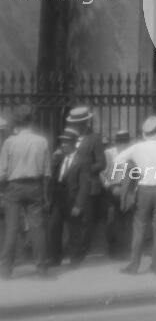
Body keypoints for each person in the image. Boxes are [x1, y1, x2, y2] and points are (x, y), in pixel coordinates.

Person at [114, 116, 156, 275]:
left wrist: (134, 168)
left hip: (143, 189)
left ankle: (134, 265)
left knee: (139, 227)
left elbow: (118, 160)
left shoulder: (138, 148)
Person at [0, 104, 51, 279]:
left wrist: (2, 191)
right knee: (37, 228)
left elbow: (2, 172)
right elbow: (46, 172)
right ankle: (42, 268)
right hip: (35, 186)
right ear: (31, 121)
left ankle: (6, 269)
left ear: (16, 122)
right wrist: (45, 194)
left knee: (11, 229)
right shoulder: (42, 141)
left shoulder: (9, 142)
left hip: (13, 187)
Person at [65, 106, 106, 258]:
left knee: (86, 220)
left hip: (88, 185)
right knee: (71, 220)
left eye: (79, 123)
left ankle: (81, 250)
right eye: (74, 124)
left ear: (85, 123)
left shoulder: (94, 138)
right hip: (69, 187)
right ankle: (72, 248)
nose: (76, 126)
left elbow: (102, 163)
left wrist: (85, 169)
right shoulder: (67, 137)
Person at [47, 129, 91, 267]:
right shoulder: (60, 159)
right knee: (54, 228)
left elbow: (84, 185)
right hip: (58, 198)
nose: (63, 145)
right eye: (62, 142)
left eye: (67, 142)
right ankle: (55, 258)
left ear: (73, 144)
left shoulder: (82, 160)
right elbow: (52, 178)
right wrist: (54, 161)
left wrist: (79, 204)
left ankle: (75, 259)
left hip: (72, 198)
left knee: (74, 230)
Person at [101, 130, 132, 258]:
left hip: (129, 187)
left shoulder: (133, 153)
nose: (123, 144)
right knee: (113, 219)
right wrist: (109, 186)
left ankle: (125, 250)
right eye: (120, 141)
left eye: (125, 141)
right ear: (116, 141)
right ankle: (113, 249)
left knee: (128, 220)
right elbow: (102, 172)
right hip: (113, 188)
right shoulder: (108, 153)